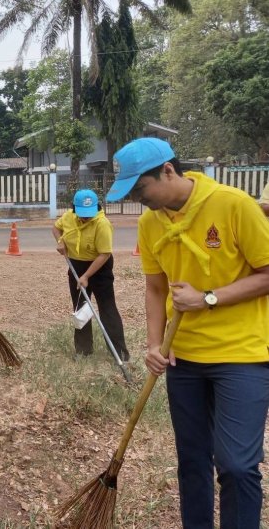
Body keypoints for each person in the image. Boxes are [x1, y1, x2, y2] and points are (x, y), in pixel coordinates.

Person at [106, 137, 269, 529]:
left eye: (139, 188)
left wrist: (208, 299)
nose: (136, 198)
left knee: (237, 465)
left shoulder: (233, 205)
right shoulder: (150, 221)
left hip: (242, 354)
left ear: (167, 170)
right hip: (183, 359)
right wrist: (152, 344)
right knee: (192, 460)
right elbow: (156, 287)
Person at [52, 189, 129, 361]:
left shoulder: (102, 224)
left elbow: (104, 254)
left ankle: (120, 353)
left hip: (100, 267)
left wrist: (86, 276)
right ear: (73, 208)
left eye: (89, 214)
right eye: (82, 213)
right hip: (76, 266)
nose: (86, 217)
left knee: (107, 307)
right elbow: (56, 228)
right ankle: (83, 350)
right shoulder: (68, 217)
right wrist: (60, 241)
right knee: (80, 308)